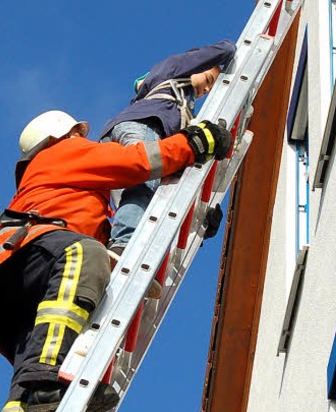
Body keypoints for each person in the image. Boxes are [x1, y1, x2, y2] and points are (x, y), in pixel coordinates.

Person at [0, 108, 232, 412]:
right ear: (68, 133)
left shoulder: (58, 189)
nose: (87, 137)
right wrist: (197, 141)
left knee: (30, 373)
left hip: (10, 280)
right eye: (81, 131)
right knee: (86, 257)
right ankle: (45, 387)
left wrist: (197, 218)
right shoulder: (63, 153)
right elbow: (136, 164)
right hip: (35, 248)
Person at [99, 40, 236, 279]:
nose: (206, 89)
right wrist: (230, 49)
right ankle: (124, 245)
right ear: (196, 66)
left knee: (136, 198)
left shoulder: (178, 103)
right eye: (209, 79)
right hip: (143, 125)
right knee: (143, 182)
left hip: (125, 132)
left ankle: (123, 250)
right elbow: (216, 53)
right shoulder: (173, 69)